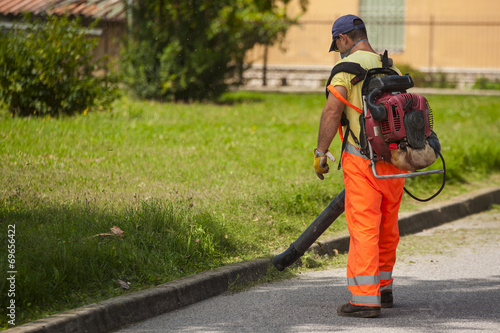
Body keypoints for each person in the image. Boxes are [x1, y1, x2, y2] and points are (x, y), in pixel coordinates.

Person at [313, 14, 406, 318]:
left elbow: (331, 112)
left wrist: (321, 152)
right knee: (387, 226)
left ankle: (365, 300)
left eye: (337, 44)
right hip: (395, 162)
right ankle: (384, 288)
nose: (338, 50)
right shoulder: (391, 67)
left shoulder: (345, 70)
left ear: (344, 39)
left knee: (365, 227)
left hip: (362, 160)